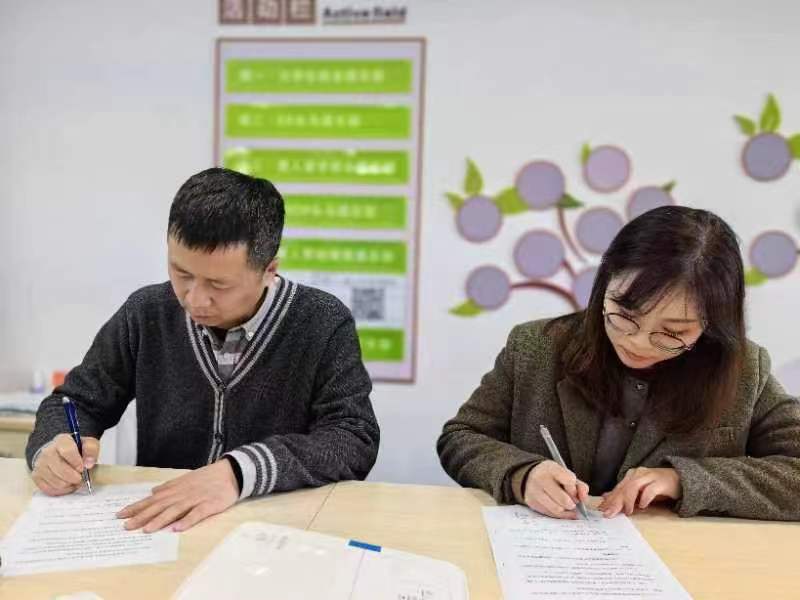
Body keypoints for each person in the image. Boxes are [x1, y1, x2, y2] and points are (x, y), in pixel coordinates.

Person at [26, 167, 380, 531]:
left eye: (218, 284)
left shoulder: (321, 321)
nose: (194, 299)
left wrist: (238, 472)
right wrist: (53, 447)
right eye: (181, 273)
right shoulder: (147, 312)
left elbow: (353, 437)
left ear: (268, 270)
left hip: (274, 528)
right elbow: (76, 402)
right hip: (161, 529)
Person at [438, 206, 800, 521]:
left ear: (712, 324)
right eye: (625, 316)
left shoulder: (743, 370)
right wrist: (522, 475)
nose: (637, 342)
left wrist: (683, 480)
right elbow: (461, 437)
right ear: (605, 284)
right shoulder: (536, 347)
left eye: (672, 333)